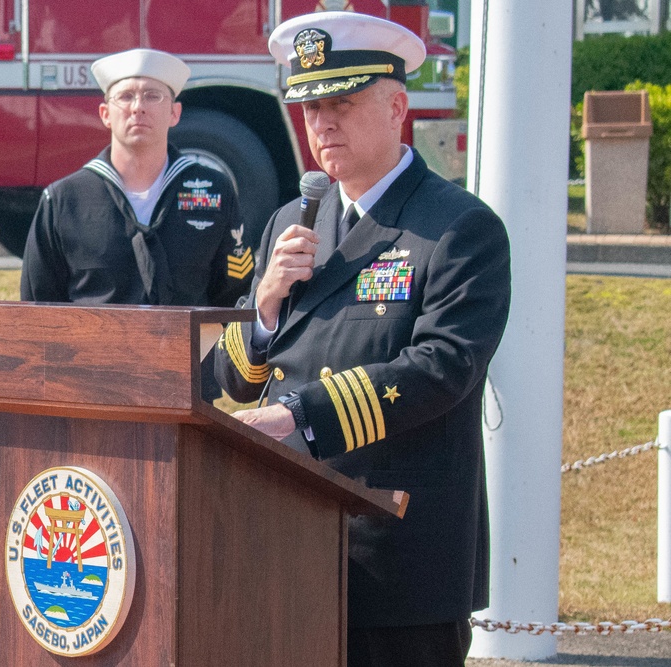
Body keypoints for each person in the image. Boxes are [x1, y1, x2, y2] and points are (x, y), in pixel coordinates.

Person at [215, 12, 511, 666]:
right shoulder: (291, 221)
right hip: (287, 547)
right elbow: (232, 382)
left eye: (341, 103)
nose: (321, 123)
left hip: (399, 561)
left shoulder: (458, 228)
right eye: (310, 106)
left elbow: (441, 367)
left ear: (397, 106)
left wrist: (298, 416)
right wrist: (262, 311)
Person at [20, 48, 252, 309]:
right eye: (125, 96)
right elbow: (38, 309)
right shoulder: (64, 200)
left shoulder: (215, 192)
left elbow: (235, 297)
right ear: (105, 114)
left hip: (189, 349)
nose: (138, 107)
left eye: (152, 96)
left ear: (175, 113)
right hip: (96, 350)